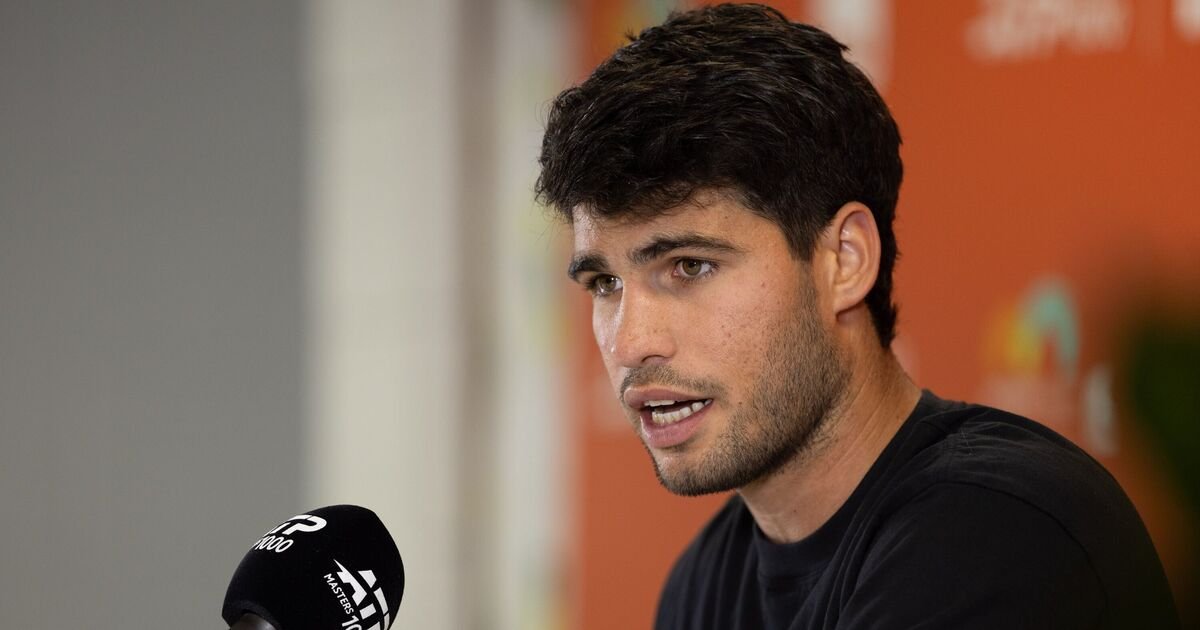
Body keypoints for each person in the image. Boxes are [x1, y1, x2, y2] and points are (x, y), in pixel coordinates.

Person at [535, 3, 1179, 629]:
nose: (631, 342)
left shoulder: (998, 536)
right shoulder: (703, 583)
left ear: (845, 260)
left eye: (690, 266)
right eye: (605, 282)